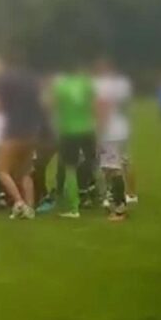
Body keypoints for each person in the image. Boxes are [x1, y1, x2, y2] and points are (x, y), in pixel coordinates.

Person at [0, 66, 45, 220]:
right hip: (30, 134)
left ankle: (19, 202)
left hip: (12, 133)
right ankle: (30, 207)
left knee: (1, 170)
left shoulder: (9, 96)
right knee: (25, 172)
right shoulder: (32, 96)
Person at [50, 63, 97, 219]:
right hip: (87, 128)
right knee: (90, 162)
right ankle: (97, 195)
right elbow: (94, 104)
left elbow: (53, 107)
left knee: (70, 168)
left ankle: (74, 207)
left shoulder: (61, 86)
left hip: (69, 130)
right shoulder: (86, 82)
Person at [95, 59, 132, 221]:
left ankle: (120, 208)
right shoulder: (117, 85)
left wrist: (99, 132)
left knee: (113, 168)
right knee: (109, 168)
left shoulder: (101, 87)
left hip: (109, 133)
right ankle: (114, 201)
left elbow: (103, 109)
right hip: (119, 129)